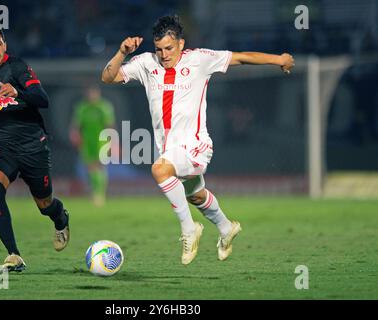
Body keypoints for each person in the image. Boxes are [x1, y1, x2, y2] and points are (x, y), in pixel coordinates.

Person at [101, 15, 294, 265]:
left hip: (196, 145)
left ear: (181, 44)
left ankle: (189, 229)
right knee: (196, 196)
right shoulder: (146, 63)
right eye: (159, 49)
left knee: (160, 170)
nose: (164, 54)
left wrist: (278, 59)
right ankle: (226, 228)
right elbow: (107, 78)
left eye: (169, 48)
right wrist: (121, 52)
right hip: (170, 148)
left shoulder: (199, 59)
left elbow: (241, 57)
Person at [0, 25, 70, 272]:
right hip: (1, 145)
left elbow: (43, 99)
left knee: (45, 204)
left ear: (5, 45)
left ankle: (60, 217)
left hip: (32, 145)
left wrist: (18, 91)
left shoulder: (18, 67)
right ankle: (14, 255)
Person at [69, 85, 115, 207]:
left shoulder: (104, 107)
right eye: (89, 93)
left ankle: (99, 194)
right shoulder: (82, 108)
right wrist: (75, 135)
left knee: (99, 167)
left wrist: (111, 141)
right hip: (87, 141)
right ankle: (95, 192)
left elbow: (109, 125)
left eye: (94, 93)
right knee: (90, 167)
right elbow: (76, 125)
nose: (92, 96)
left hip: (101, 141)